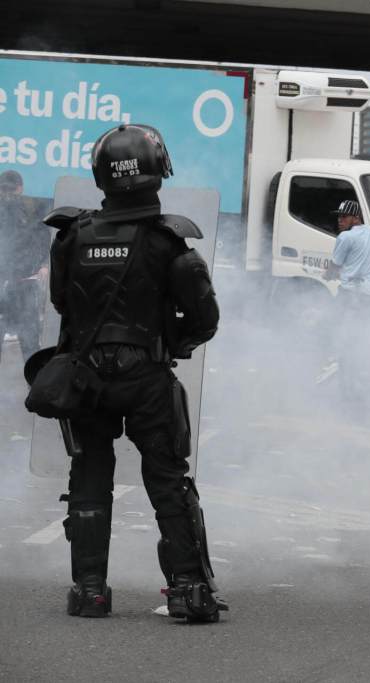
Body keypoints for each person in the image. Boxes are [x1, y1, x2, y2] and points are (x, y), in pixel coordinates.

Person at [41, 124, 225, 621]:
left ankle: (89, 592)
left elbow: (63, 304)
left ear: (100, 174)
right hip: (146, 376)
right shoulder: (169, 240)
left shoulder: (72, 237)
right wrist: (172, 343)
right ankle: (189, 589)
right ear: (158, 171)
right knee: (168, 480)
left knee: (89, 479)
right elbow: (205, 319)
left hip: (86, 378)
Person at [0, 170, 51, 364]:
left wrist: (43, 265)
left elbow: (42, 238)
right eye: (3, 190)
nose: (7, 194)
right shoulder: (8, 211)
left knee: (30, 343)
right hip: (10, 285)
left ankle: (36, 386)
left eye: (9, 190)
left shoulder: (31, 211)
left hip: (24, 285)